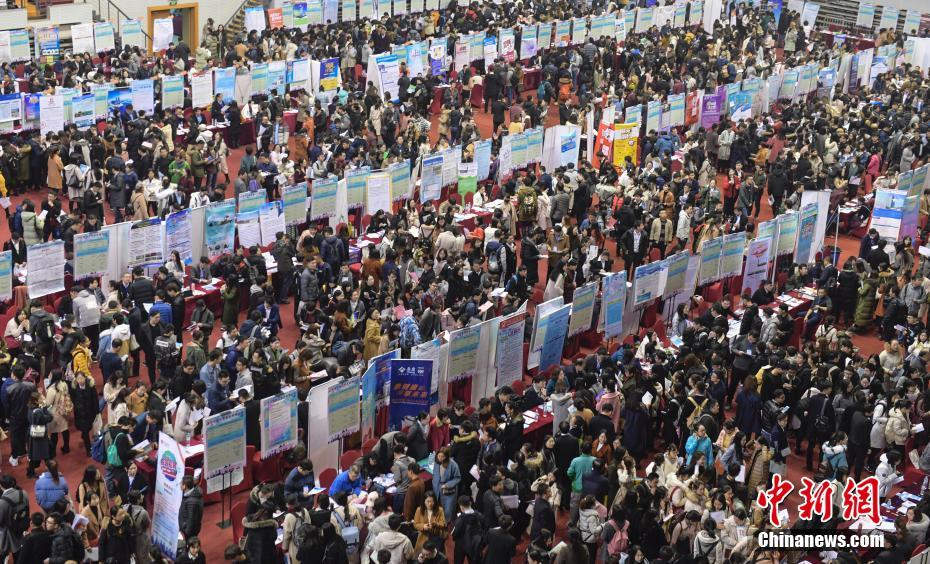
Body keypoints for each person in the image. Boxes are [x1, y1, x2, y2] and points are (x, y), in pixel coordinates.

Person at [178, 475, 204, 540]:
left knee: (190, 543)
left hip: (189, 533)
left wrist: (186, 532)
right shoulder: (189, 494)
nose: (180, 485)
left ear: (185, 486)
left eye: (181, 483)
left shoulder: (192, 502)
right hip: (188, 529)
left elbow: (191, 519)